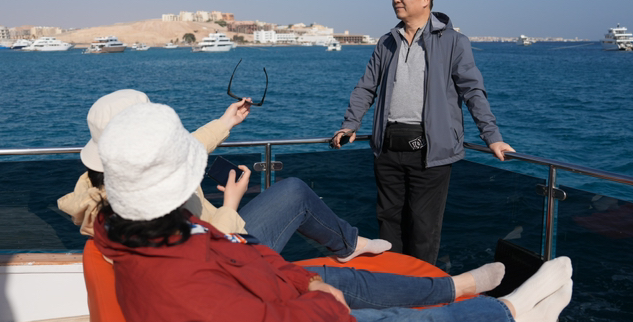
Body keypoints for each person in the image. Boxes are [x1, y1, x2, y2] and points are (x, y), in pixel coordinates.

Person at [94, 102, 573, 322]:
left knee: (381, 317)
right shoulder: (178, 281)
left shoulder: (166, 230)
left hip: (280, 307)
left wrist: (306, 284)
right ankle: (514, 318)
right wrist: (326, 303)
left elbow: (247, 258)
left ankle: (483, 303)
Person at [59, 89, 391, 261]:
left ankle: (347, 244)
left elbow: (186, 149)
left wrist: (225, 122)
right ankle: (348, 245)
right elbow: (205, 253)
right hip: (230, 251)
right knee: (295, 192)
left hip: (218, 238)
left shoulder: (101, 186)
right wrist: (231, 204)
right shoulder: (150, 200)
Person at [332, 0, 515, 265]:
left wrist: (492, 136)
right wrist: (350, 125)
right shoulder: (386, 42)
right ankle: (391, 283)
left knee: (423, 229)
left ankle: (422, 287)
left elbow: (472, 91)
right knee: (388, 223)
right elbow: (366, 87)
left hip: (431, 151)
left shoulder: (454, 41)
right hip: (387, 148)